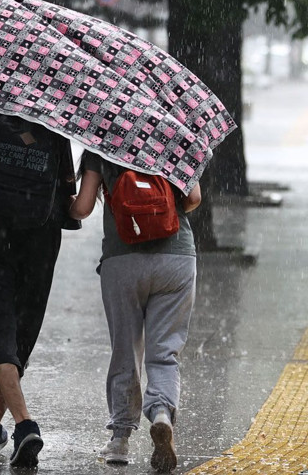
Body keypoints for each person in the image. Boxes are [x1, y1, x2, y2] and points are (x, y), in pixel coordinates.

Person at [69, 152, 201, 472]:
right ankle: (161, 415)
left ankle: (120, 441)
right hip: (176, 257)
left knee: (126, 349)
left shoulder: (102, 141)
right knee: (164, 351)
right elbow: (194, 197)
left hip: (122, 259)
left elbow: (82, 208)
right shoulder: (175, 136)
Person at [0, 109, 80, 468]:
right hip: (41, 238)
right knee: (18, 333)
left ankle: (24, 424)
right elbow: (69, 203)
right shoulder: (59, 115)